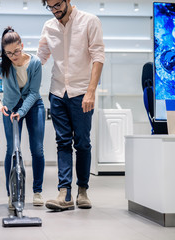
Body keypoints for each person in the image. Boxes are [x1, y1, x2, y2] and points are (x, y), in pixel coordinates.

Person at [37, 0, 105, 211]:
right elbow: (40, 57)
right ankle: (64, 193)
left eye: (58, 4)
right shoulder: (49, 27)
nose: (55, 10)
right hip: (57, 93)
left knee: (82, 142)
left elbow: (98, 56)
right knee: (62, 142)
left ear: (68, 1)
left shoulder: (90, 21)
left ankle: (82, 190)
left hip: (82, 92)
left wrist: (91, 91)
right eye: (50, 7)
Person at [0, 26, 45, 209]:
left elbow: (34, 93)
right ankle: (11, 194)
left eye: (16, 51)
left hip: (33, 106)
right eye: (9, 53)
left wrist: (23, 111)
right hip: (9, 107)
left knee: (37, 149)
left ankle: (37, 191)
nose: (13, 56)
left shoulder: (35, 63)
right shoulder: (3, 62)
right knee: (12, 149)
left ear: (22, 46)